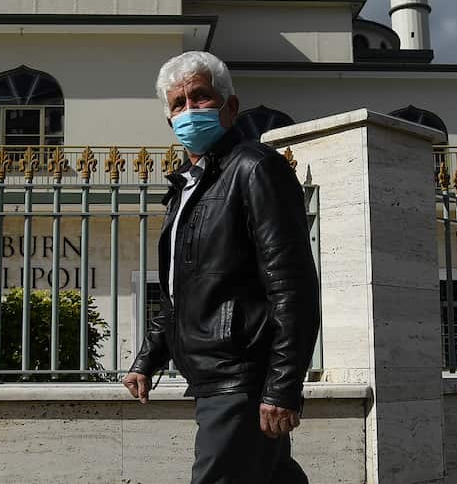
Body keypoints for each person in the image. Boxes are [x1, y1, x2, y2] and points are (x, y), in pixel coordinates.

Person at [123, 51, 320, 484]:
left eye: (201, 98)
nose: (189, 111)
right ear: (169, 119)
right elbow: (180, 292)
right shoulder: (185, 188)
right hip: (214, 374)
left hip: (241, 377)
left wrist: (283, 386)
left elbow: (294, 286)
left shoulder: (255, 168)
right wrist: (147, 359)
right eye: (178, 104)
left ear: (230, 107)